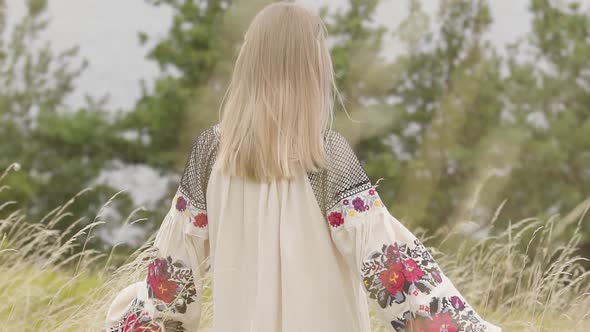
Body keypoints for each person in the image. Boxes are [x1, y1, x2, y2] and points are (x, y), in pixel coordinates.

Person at [105, 2, 502, 332]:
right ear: (311, 69)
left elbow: (170, 285)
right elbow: (394, 269)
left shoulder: (212, 152)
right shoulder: (326, 154)